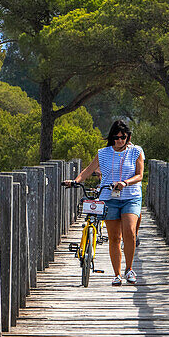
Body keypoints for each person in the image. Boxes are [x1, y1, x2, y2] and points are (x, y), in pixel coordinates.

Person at [63, 120, 145, 286]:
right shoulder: (103, 153)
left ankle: (129, 269)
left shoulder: (136, 151)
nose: (120, 140)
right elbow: (88, 170)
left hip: (131, 196)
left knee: (129, 231)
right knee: (114, 237)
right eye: (116, 137)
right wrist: (75, 181)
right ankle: (116, 274)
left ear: (128, 137)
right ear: (112, 137)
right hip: (109, 197)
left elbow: (140, 175)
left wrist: (125, 183)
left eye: (123, 137)